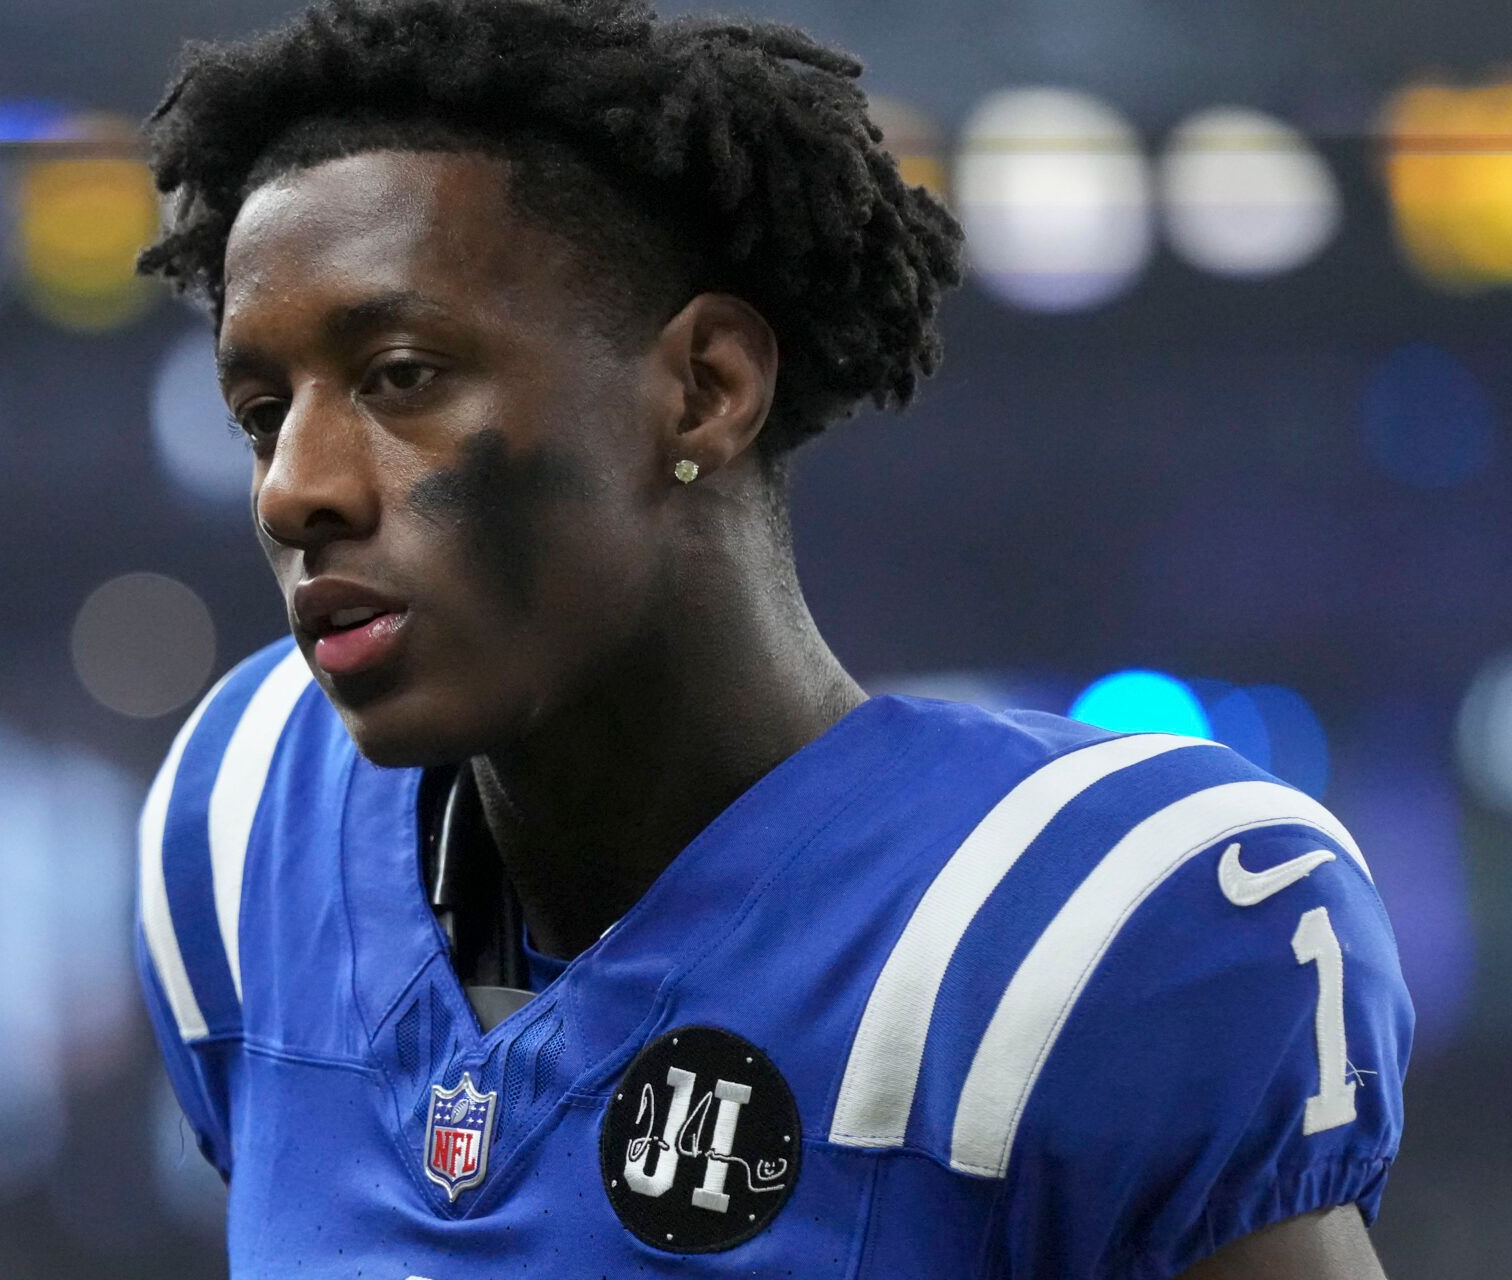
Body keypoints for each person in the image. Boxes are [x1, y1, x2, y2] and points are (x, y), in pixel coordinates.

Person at [129, 1, 1412, 1274]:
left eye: (401, 374)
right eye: (259, 411)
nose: (292, 487)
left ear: (706, 387)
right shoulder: (246, 824)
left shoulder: (1096, 930)